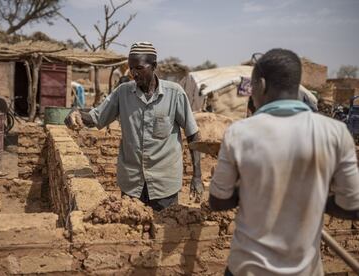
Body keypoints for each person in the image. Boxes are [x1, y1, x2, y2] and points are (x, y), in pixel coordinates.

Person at [209, 49, 359, 275]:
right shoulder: (336, 133)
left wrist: (252, 189)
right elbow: (352, 206)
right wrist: (314, 196)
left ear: (260, 83)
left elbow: (218, 201)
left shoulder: (239, 133)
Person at [65, 41, 202, 211]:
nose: (134, 73)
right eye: (131, 68)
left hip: (164, 186)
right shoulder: (122, 93)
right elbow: (96, 117)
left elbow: (193, 134)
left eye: (139, 68)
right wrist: (76, 114)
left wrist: (197, 176)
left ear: (154, 66)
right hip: (132, 184)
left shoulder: (175, 94)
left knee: (162, 231)